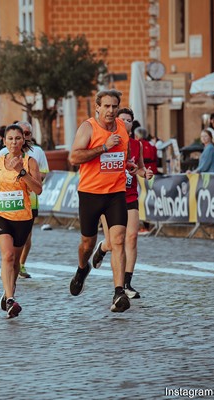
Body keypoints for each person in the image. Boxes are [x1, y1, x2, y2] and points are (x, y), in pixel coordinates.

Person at [68, 89, 134, 313]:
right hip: (90, 193)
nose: (110, 110)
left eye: (114, 106)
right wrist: (103, 146)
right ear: (97, 107)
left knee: (118, 241)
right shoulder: (88, 127)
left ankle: (119, 292)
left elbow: (121, 156)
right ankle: (81, 269)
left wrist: (129, 165)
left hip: (115, 193)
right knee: (87, 244)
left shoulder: (122, 127)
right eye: (106, 106)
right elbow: (74, 157)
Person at [0, 124, 42, 318]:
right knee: (7, 256)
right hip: (1, 215)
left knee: (15, 261)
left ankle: (9, 292)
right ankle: (10, 299)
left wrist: (22, 172)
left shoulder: (29, 161)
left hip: (23, 218)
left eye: (17, 138)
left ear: (23, 140)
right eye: (10, 138)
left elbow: (38, 189)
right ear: (4, 141)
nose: (14, 142)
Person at [91, 108, 153, 299]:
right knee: (113, 242)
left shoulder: (137, 145)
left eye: (129, 120)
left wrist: (145, 173)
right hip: (109, 195)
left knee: (132, 238)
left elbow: (141, 168)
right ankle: (102, 248)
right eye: (122, 119)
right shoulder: (108, 142)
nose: (126, 123)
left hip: (130, 196)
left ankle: (126, 283)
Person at [0, 121, 49, 278]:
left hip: (28, 201)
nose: (21, 139)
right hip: (5, 205)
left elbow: (43, 175)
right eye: (20, 134)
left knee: (26, 237)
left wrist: (29, 177)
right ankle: (10, 274)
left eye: (26, 134)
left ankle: (21, 264)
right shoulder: (1, 154)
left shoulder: (37, 153)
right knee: (7, 248)